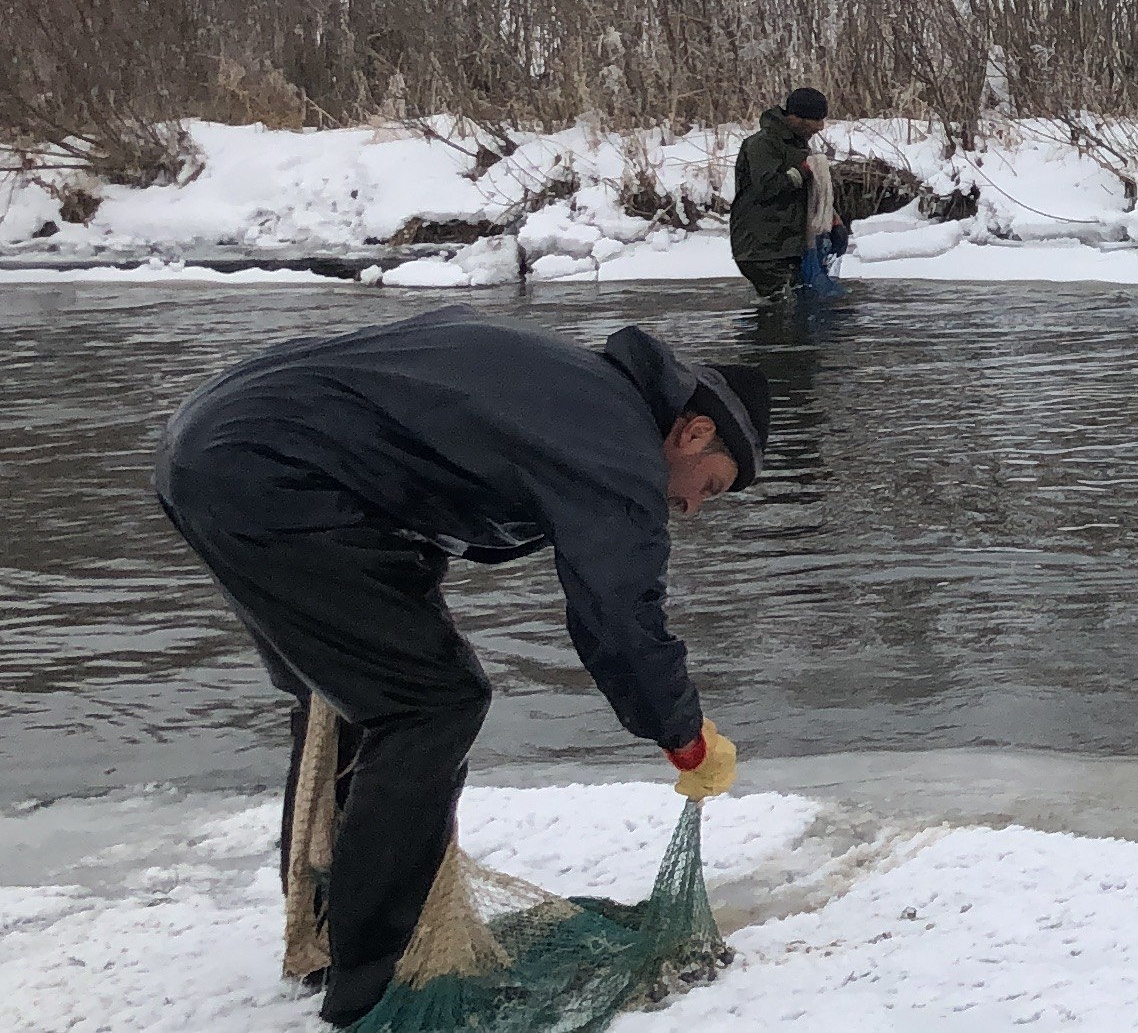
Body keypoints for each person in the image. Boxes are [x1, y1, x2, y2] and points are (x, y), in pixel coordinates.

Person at [153, 307, 768, 1026]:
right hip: (274, 476)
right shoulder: (617, 442)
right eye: (711, 485)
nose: (690, 506)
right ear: (693, 432)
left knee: (352, 695)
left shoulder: (575, 389)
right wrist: (681, 731)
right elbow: (619, 618)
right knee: (428, 704)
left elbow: (414, 460)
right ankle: (379, 975)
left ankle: (329, 928)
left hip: (214, 449)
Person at [731, 87, 846, 298]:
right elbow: (766, 187)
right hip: (762, 250)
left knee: (797, 309)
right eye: (816, 120)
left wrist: (833, 220)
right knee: (784, 313)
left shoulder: (797, 144)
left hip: (789, 246)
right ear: (795, 118)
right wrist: (803, 171)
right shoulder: (762, 144)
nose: (821, 127)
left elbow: (808, 192)